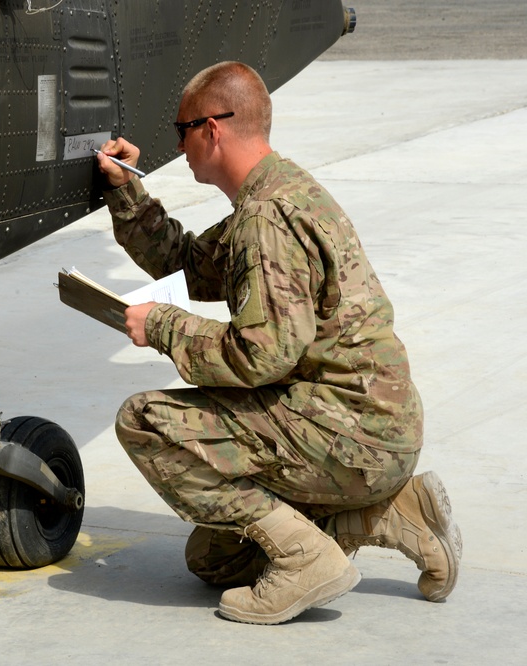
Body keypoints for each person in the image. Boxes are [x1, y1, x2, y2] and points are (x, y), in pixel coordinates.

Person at [93, 61, 461, 625]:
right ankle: (385, 514)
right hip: (362, 425)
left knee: (143, 420)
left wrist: (164, 326)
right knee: (216, 559)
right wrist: (127, 191)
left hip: (348, 430)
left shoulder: (264, 219)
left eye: (181, 130)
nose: (179, 144)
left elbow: (263, 356)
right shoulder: (281, 190)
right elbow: (187, 264)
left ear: (212, 130)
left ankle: (305, 560)